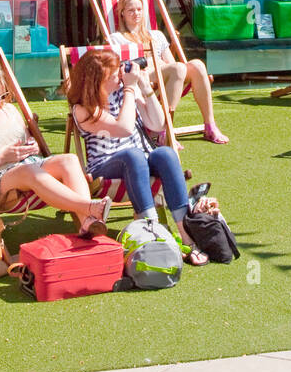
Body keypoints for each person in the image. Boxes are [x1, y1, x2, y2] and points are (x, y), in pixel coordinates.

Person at [67, 46, 209, 264]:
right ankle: (153, 232)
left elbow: (158, 123)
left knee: (165, 154)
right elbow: (123, 128)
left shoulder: (124, 90)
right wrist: (131, 90)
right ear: (98, 80)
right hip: (105, 165)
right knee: (133, 156)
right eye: (114, 75)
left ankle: (186, 233)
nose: (120, 76)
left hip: (141, 158)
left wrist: (143, 86)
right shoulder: (84, 108)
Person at [0, 61, 110, 237]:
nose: (1, 102)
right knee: (29, 170)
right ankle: (89, 208)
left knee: (69, 160)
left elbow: (26, 140)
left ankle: (87, 222)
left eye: (4, 95)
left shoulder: (9, 110)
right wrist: (2, 158)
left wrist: (32, 145)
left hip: (29, 164)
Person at [112, 0, 229, 144]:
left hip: (167, 76)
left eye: (139, 9)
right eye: (131, 10)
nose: (136, 14)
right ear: (122, 13)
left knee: (198, 65)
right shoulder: (117, 39)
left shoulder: (156, 35)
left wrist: (171, 50)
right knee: (178, 69)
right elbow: (123, 69)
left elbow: (171, 63)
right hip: (144, 81)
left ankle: (210, 125)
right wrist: (154, 63)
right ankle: (164, 129)